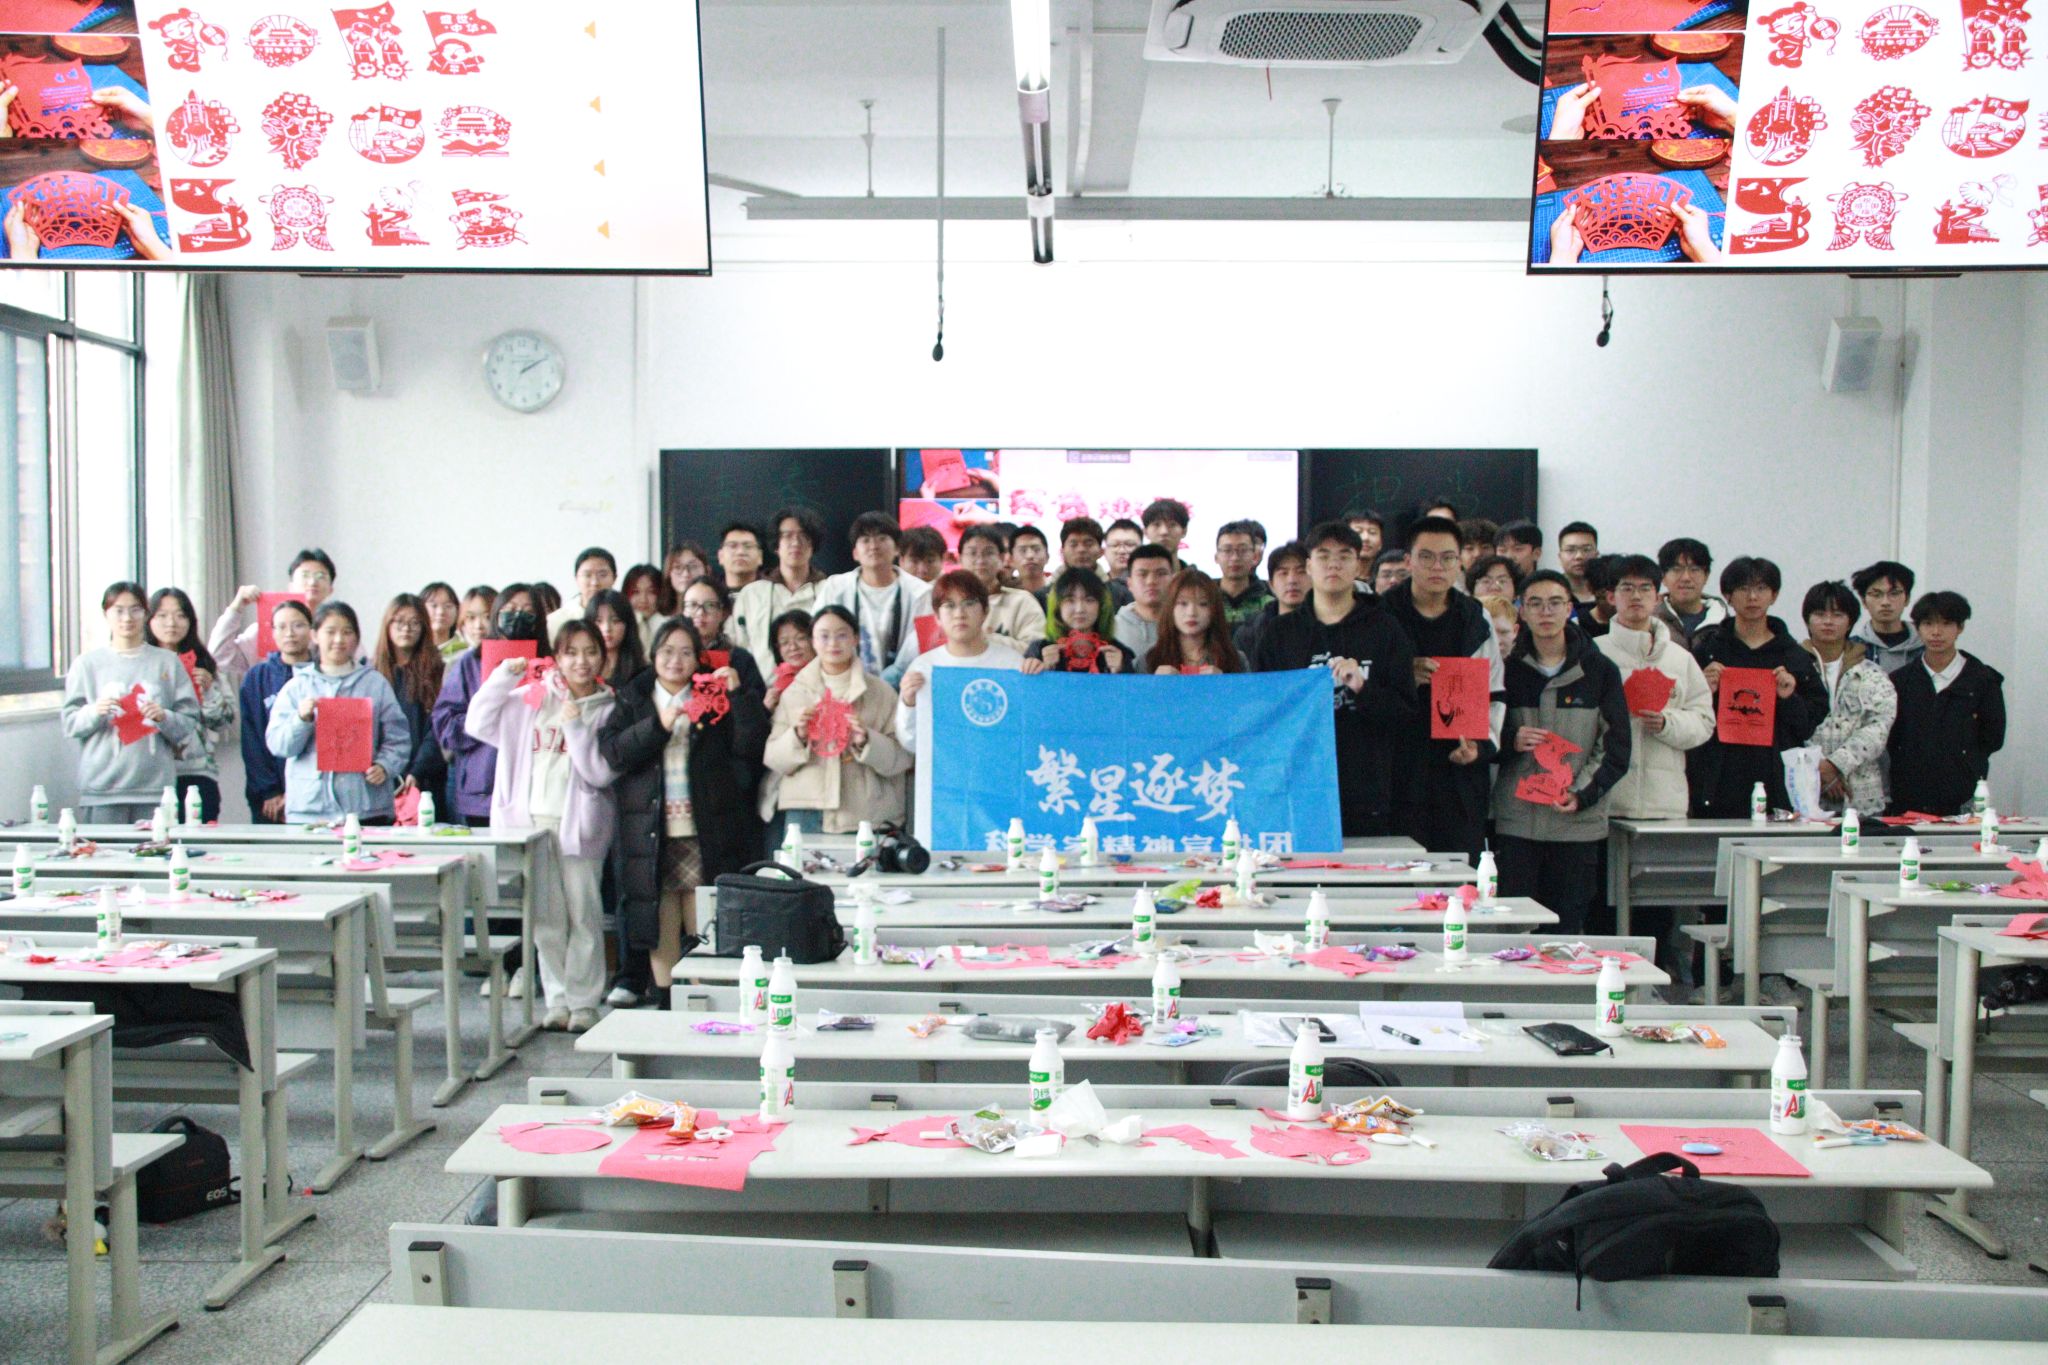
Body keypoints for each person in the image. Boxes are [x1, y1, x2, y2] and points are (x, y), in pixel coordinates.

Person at [600, 618, 768, 993]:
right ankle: (665, 999)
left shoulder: (712, 696)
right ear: (653, 654)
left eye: (686, 652)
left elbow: (750, 745)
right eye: (667, 651)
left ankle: (702, 995)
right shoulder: (633, 698)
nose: (675, 660)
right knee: (658, 920)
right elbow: (614, 752)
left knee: (703, 920)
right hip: (650, 830)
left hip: (703, 826)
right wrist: (657, 726)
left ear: (698, 658)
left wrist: (738, 696)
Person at [467, 620, 618, 1032]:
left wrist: (576, 725)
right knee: (545, 919)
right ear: (557, 657)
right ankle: (558, 1000)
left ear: (602, 657)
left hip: (583, 825)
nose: (581, 661)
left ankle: (584, 1002)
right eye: (571, 652)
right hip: (531, 824)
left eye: (590, 651)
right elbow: (477, 722)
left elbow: (602, 771)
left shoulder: (609, 708)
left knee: (584, 915)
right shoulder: (533, 698)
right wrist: (504, 676)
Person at [1251, 522, 1417, 837]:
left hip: (1367, 789)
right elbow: (1262, 711)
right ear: (1309, 566)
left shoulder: (1385, 629)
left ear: (1358, 565)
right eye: (1324, 556)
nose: (1334, 564)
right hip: (1296, 786)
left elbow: (1405, 711)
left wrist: (1362, 687)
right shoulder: (1279, 634)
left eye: (1344, 556)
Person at [1490, 571, 1631, 937]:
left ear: (1570, 609)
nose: (1545, 612)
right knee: (1513, 929)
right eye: (1535, 603)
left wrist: (1581, 793)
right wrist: (1510, 739)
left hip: (1576, 826)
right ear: (1522, 611)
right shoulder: (1505, 670)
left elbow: (1615, 747)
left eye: (1555, 603)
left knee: (1565, 929)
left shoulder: (1599, 670)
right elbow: (1481, 732)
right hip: (1517, 822)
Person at [1381, 516, 1502, 861]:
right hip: (1396, 766)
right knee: (1397, 872)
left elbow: (1495, 691)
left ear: (1460, 562)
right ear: (1408, 561)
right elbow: (1365, 683)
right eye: (1427, 557)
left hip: (1458, 768)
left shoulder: (1476, 618)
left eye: (1448, 558)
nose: (1438, 567)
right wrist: (1404, 673)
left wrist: (1480, 746)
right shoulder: (1382, 614)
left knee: (1458, 872)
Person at [1686, 557, 1827, 817]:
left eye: (1761, 588)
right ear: (1727, 596)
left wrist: (1789, 698)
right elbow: (1685, 714)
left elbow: (1808, 723)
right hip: (1718, 777)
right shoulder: (1708, 650)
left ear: (1774, 595)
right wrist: (1704, 690)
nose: (1752, 597)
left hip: (1775, 778)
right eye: (1743, 589)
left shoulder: (1794, 655)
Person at [62, 581, 202, 824]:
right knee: (103, 849)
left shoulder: (168, 662)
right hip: (102, 789)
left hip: (156, 788)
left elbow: (189, 721)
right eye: (118, 610)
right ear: (106, 614)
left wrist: (163, 717)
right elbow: (70, 723)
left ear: (146, 614)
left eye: (135, 610)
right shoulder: (87, 664)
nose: (127, 618)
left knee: (156, 848)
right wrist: (95, 711)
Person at [765, 605, 912, 836]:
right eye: (824, 636)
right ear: (813, 641)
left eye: (842, 635)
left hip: (866, 813)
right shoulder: (794, 693)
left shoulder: (881, 693)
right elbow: (774, 759)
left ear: (855, 638)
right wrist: (798, 736)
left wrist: (867, 741)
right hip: (807, 811)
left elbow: (903, 758)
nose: (833, 643)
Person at [1595, 554, 1715, 821]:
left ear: (1658, 597)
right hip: (1605, 801)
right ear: (1611, 597)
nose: (1636, 596)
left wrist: (1666, 723)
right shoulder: (1594, 654)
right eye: (1627, 588)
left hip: (1665, 804)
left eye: (1645, 588)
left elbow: (1704, 722)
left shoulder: (1680, 658)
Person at [267, 602, 410, 825]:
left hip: (367, 806)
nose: (339, 639)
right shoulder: (297, 687)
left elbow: (399, 738)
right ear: (315, 635)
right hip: (310, 809)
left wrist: (385, 765)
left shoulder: (375, 684)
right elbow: (279, 745)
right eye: (330, 632)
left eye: (347, 632)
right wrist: (301, 720)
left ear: (357, 638)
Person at [433, 583, 552, 830]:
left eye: (528, 611)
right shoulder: (470, 662)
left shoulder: (550, 665)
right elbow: (445, 722)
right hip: (481, 787)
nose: (518, 616)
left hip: (538, 788)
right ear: (496, 614)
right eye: (511, 609)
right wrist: (489, 727)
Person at [1886, 591, 2005, 817]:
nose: (1936, 632)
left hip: (1963, 794)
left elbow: (1993, 738)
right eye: (1928, 624)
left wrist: (1964, 759)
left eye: (1946, 624)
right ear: (1917, 628)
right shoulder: (1900, 681)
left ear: (1960, 628)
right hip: (1909, 795)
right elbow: (1892, 738)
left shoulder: (1983, 680)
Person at [895, 570, 1026, 756]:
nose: (959, 614)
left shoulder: (1012, 663)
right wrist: (909, 703)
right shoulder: (924, 667)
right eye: (949, 605)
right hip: (946, 770)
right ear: (937, 617)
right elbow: (910, 742)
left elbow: (1026, 730)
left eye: (969, 603)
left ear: (985, 611)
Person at [1799, 581, 1897, 815]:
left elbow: (1879, 727)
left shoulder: (1872, 673)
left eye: (1838, 615)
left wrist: (1836, 764)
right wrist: (1819, 767)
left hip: (1861, 794)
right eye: (1820, 614)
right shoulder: (1791, 668)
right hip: (1803, 788)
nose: (1828, 621)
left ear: (1850, 621)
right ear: (1807, 620)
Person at [147, 587, 236, 825]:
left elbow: (224, 721)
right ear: (149, 620)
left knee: (199, 841)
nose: (172, 623)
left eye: (180, 615)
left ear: (190, 621)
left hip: (196, 771)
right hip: (148, 774)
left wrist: (209, 691)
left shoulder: (203, 663)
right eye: (162, 615)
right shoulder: (140, 664)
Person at [816, 511, 932, 687]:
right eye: (865, 540)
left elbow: (923, 645)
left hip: (905, 687)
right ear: (855, 553)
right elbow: (818, 635)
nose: (873, 546)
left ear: (897, 549)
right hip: (844, 684)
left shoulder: (921, 593)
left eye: (882, 538)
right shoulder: (835, 588)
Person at [209, 548, 340, 685]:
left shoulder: (337, 633)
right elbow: (218, 656)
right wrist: (236, 608)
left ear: (330, 589)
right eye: (305, 575)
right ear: (291, 586)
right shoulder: (266, 629)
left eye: (320, 576)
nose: (312, 582)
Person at [372, 593, 449, 817]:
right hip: (379, 776)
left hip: (425, 777)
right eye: (399, 621)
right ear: (387, 624)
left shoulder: (437, 671)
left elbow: (438, 727)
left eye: (415, 623)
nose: (406, 629)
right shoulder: (371, 673)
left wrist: (417, 769)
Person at [239, 597, 314, 823]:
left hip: (314, 794)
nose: (290, 633)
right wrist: (269, 791)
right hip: (268, 797)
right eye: (281, 627)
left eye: (298, 625)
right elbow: (252, 739)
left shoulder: (323, 675)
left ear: (312, 630)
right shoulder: (257, 677)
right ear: (271, 632)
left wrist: (297, 793)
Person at [734, 506, 828, 662]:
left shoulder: (829, 589)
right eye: (787, 536)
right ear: (776, 545)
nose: (795, 542)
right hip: (764, 678)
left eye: (803, 536)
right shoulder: (751, 594)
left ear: (813, 545)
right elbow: (740, 647)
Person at [1023, 568, 1137, 674]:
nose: (1080, 609)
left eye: (1089, 600)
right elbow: (1025, 687)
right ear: (1057, 606)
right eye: (1070, 600)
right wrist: (1042, 670)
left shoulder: (1118, 653)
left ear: (1102, 606)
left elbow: (1132, 688)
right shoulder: (1039, 651)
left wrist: (1121, 672)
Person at [675, 576, 768, 695]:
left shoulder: (741, 659)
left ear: (723, 613)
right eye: (692, 605)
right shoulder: (672, 657)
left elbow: (759, 704)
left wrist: (736, 691)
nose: (700, 612)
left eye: (710, 605)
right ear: (682, 611)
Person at [956, 524, 1047, 645]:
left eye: (988, 553)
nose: (980, 560)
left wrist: (984, 639)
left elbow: (1035, 649)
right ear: (960, 559)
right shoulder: (949, 602)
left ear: (1002, 558)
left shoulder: (1022, 602)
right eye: (972, 553)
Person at [1147, 569, 1246, 674]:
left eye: (1202, 604)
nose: (1192, 613)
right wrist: (1155, 683)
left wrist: (1223, 682)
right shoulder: (1150, 660)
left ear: (1214, 609)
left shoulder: (1235, 659)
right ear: (1170, 608)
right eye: (1183, 603)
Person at [1234, 540, 1308, 659]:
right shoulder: (1250, 633)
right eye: (1283, 573)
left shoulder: (1327, 625)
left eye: (1301, 572)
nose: (1292, 580)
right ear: (1271, 584)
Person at [1849, 560, 1922, 674]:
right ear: (1863, 601)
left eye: (1894, 593)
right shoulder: (1851, 648)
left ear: (1907, 599)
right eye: (1876, 595)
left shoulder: (1926, 646)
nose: (1885, 602)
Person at [1653, 537, 1726, 650]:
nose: (1686, 578)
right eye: (1676, 569)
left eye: (1694, 569)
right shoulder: (1649, 623)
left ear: (1706, 576)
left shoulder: (1725, 624)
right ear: (1663, 576)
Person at [1113, 543, 1175, 661]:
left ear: (1173, 580)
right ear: (1129, 583)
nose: (1151, 581)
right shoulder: (1112, 629)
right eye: (1142, 574)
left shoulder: (1187, 625)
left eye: (1160, 574)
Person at [545, 548, 616, 638]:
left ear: (614, 578)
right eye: (587, 575)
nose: (595, 583)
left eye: (602, 575)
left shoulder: (627, 617)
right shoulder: (555, 622)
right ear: (576, 578)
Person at [586, 588, 648, 688]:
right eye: (599, 621)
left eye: (615, 621)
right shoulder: (581, 667)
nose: (607, 628)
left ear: (627, 624)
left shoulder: (642, 673)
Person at [1214, 520, 1272, 628]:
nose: (1235, 558)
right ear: (1216, 557)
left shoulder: (1269, 605)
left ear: (1255, 557)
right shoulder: (1206, 600)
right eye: (1227, 550)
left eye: (1243, 550)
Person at [763, 610, 816, 710]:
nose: (793, 647)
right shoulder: (780, 683)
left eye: (800, 638)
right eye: (785, 642)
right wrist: (767, 710)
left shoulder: (830, 672)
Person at [621, 564, 666, 654]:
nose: (643, 599)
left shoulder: (666, 626)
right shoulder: (620, 626)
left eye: (651, 592)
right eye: (636, 592)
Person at [1557, 521, 1600, 611]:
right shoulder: (1552, 593)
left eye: (1586, 549)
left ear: (1596, 555)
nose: (1579, 556)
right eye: (1570, 550)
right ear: (1560, 556)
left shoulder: (1609, 593)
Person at [659, 542, 710, 616]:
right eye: (678, 567)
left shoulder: (715, 613)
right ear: (669, 573)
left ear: (707, 571)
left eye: (693, 566)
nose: (686, 574)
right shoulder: (660, 616)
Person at [716, 521, 765, 591]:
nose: (740, 552)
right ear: (720, 556)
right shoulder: (710, 593)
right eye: (732, 546)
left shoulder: (772, 592)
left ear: (760, 557)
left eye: (748, 546)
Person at [1141, 498, 1190, 564]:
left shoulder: (1193, 571)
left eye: (1172, 525)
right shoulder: (1131, 571)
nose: (1164, 532)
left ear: (1184, 531)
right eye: (1156, 524)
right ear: (1145, 532)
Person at [1010, 525, 1052, 599]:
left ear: (1047, 556)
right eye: (1023, 550)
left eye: (1036, 550)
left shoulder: (1057, 590)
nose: (1030, 556)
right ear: (1011, 559)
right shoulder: (1007, 594)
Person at [454, 586, 496, 657]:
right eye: (471, 617)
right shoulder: (458, 660)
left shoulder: (511, 658)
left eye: (487, 617)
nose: (478, 626)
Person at [421, 581, 462, 655]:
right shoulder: (411, 650)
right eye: (434, 606)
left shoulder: (466, 653)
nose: (441, 612)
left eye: (448, 606)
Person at [1102, 518, 1143, 587]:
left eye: (1129, 545)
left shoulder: (1150, 584)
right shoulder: (1097, 583)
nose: (1122, 551)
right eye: (1115, 545)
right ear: (1104, 551)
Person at [1480, 593, 1519, 662]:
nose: (1497, 641)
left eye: (1503, 632)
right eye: (1487, 634)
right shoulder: (1459, 667)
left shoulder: (1528, 667)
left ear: (1515, 631)